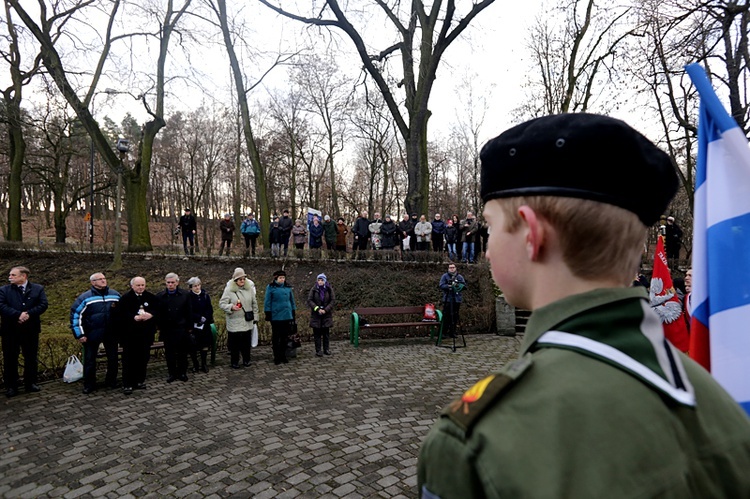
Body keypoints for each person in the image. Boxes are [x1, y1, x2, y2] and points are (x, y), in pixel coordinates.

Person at [418, 113, 750, 497]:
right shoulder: (721, 406)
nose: (487, 249)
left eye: (491, 228)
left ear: (532, 234)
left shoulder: (474, 444)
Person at [0, 266, 48, 398]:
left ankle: (30, 383)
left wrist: (28, 314)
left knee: (31, 357)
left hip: (30, 330)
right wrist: (18, 315)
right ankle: (11, 386)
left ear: (24, 276)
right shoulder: (4, 290)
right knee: (10, 358)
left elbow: (43, 304)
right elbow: (1, 306)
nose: (10, 277)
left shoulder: (38, 289)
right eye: (10, 275)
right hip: (10, 331)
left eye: (13, 275)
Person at [70, 272, 120, 394]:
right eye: (100, 279)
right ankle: (89, 384)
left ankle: (111, 380)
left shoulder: (115, 295)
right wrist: (80, 334)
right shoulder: (85, 298)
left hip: (111, 333)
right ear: (93, 282)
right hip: (92, 334)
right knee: (90, 361)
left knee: (113, 358)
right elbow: (76, 316)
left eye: (104, 278)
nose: (103, 281)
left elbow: (122, 313)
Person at [117, 276, 158, 394]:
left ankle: (140, 380)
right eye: (138, 285)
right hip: (130, 336)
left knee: (143, 358)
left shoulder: (150, 297)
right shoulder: (125, 299)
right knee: (129, 360)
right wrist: (133, 317)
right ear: (132, 286)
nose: (141, 287)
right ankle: (127, 383)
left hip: (146, 335)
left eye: (143, 285)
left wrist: (150, 315)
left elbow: (158, 310)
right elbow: (121, 315)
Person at [156, 273, 192, 383]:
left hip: (181, 329)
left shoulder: (185, 295)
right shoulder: (160, 296)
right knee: (169, 353)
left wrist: (189, 327)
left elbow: (189, 312)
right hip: (167, 330)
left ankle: (182, 372)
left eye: (172, 282)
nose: (170, 284)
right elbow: (158, 313)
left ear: (177, 282)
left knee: (182, 353)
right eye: (168, 282)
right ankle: (172, 373)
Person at [219, 268, 258, 368]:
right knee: (235, 344)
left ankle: (246, 360)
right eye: (240, 279)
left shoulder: (249, 290)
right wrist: (231, 307)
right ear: (235, 280)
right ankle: (234, 361)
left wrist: (255, 318)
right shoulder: (229, 290)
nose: (242, 281)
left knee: (246, 343)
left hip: (246, 320)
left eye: (244, 279)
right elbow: (222, 304)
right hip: (234, 321)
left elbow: (254, 304)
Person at [264, 270, 297, 365]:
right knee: (276, 337)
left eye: (283, 278)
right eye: (280, 278)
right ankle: (276, 356)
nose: (282, 279)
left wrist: (293, 311)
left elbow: (292, 300)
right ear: (276, 278)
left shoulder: (288, 288)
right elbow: (267, 300)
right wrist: (268, 312)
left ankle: (283, 355)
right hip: (276, 316)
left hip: (286, 315)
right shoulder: (271, 287)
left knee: (284, 337)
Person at [187, 276, 215, 373]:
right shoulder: (188, 297)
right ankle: (195, 364)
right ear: (191, 287)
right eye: (195, 286)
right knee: (193, 345)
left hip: (205, 325)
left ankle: (204, 363)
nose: (197, 287)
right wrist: (198, 318)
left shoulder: (205, 295)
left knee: (205, 344)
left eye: (199, 285)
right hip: (194, 325)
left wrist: (206, 317)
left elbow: (210, 308)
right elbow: (188, 311)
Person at [307, 273, 335, 357]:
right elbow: (310, 300)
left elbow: (332, 300)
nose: (320, 282)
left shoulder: (329, 289)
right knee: (317, 333)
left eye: (321, 280)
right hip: (316, 314)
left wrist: (325, 310)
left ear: (325, 281)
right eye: (318, 280)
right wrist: (317, 309)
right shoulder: (314, 289)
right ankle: (318, 350)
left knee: (326, 332)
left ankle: (326, 349)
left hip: (326, 313)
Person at [438, 263, 466, 339]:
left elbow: (464, 285)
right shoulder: (445, 276)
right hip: (447, 299)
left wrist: (458, 286)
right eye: (450, 267)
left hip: (457, 299)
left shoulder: (459, 277)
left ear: (455, 268)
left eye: (453, 267)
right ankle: (443, 332)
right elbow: (441, 285)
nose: (452, 269)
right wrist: (449, 286)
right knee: (446, 316)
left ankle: (452, 332)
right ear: (448, 268)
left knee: (455, 316)